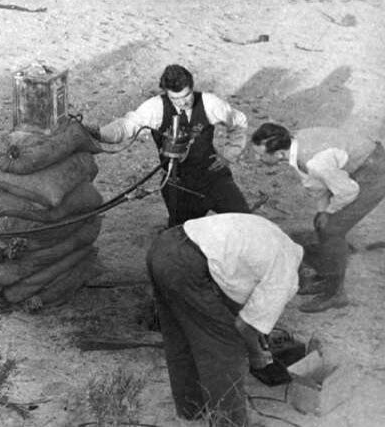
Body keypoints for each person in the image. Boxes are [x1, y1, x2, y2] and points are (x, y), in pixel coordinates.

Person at [146, 213, 303, 427]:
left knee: (181, 337)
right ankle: (230, 423)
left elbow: (232, 285)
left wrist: (256, 328)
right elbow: (243, 326)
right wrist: (256, 354)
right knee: (227, 347)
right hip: (186, 265)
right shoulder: (285, 276)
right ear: (307, 273)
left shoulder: (278, 238)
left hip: (165, 245)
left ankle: (191, 412)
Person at [87, 64, 250, 227]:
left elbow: (239, 121)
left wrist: (229, 154)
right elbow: (126, 126)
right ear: (167, 93)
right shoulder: (155, 107)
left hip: (212, 178)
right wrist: (100, 133)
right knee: (181, 237)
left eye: (186, 96)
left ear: (191, 88)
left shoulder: (209, 103)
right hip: (178, 184)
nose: (183, 102)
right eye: (175, 98)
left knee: (246, 222)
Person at [250, 123, 385, 313]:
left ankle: (335, 294)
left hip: (374, 171)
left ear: (279, 154)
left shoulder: (314, 162)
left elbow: (347, 191)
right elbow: (318, 187)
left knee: (332, 229)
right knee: (321, 222)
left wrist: (329, 212)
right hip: (356, 166)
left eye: (261, 155)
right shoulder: (295, 148)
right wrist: (323, 211)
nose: (257, 159)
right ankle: (326, 275)